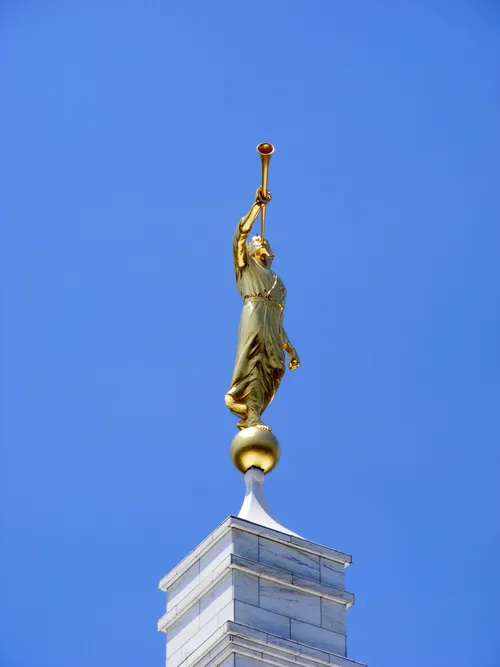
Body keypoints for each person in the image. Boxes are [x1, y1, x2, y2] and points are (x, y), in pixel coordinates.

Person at [225, 187, 300, 431]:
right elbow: (240, 236)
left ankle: (252, 411)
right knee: (254, 360)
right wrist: (257, 205)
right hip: (254, 311)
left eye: (264, 240)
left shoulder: (280, 285)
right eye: (257, 240)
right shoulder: (245, 267)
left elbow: (279, 320)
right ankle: (251, 410)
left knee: (273, 367)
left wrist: (289, 348)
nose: (261, 239)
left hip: (272, 323)